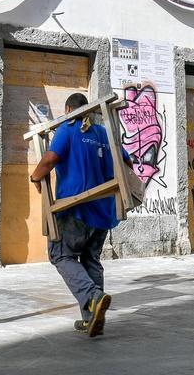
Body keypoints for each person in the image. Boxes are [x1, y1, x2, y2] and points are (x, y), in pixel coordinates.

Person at [30, 92, 126, 337]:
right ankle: (92, 318)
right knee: (91, 260)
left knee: (60, 255)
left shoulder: (68, 127)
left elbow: (50, 159)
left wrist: (35, 175)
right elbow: (127, 163)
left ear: (68, 109)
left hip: (75, 208)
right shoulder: (104, 132)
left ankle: (93, 298)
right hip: (103, 211)